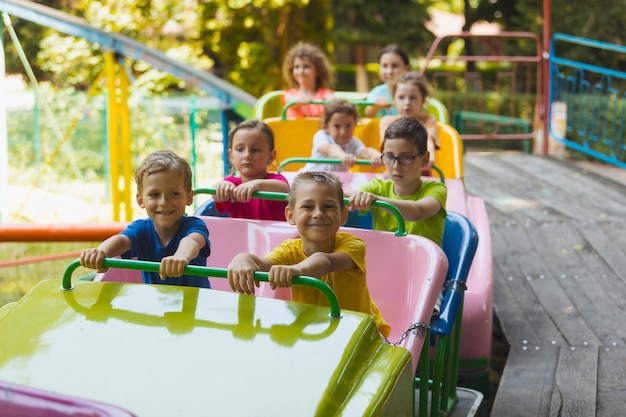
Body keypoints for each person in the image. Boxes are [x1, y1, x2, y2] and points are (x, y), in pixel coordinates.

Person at [227, 171, 391, 338]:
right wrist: (242, 259)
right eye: (308, 207)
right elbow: (262, 263)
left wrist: (297, 270)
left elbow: (326, 261)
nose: (318, 213)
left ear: (343, 215)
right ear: (291, 215)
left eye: (328, 207)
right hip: (315, 332)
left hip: (363, 333)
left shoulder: (353, 245)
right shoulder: (290, 249)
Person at [80, 150, 211, 288]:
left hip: (196, 306)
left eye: (174, 194)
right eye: (155, 195)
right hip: (157, 304)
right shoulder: (141, 229)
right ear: (140, 200)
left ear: (189, 197)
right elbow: (122, 240)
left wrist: (181, 257)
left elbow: (192, 241)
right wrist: (101, 252)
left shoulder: (194, 225)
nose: (164, 202)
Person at [349, 117, 447, 247]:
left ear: (424, 159)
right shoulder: (378, 187)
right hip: (387, 261)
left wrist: (375, 200)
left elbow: (418, 211)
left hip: (422, 264)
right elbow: (347, 197)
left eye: (406, 157)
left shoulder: (437, 189)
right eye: (389, 156)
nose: (396, 166)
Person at [213, 120, 289, 221]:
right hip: (242, 236)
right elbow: (215, 194)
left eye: (255, 150)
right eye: (240, 149)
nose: (247, 155)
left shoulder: (276, 181)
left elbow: (283, 188)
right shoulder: (232, 184)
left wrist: (257, 185)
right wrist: (221, 186)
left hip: (277, 236)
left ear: (271, 156)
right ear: (231, 156)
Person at [379, 71, 441, 176]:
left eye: (413, 98)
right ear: (394, 99)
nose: (407, 102)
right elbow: (389, 147)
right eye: (401, 97)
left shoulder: (428, 119)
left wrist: (429, 150)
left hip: (421, 174)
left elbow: (429, 138)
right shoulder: (387, 121)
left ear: (422, 100)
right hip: (395, 173)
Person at [302, 99, 383, 172]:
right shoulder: (321, 135)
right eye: (337, 126)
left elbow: (365, 151)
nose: (343, 132)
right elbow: (331, 149)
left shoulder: (352, 141)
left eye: (348, 126)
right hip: (312, 178)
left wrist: (375, 155)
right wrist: (343, 156)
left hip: (334, 182)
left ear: (355, 124)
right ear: (327, 125)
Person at [281, 42, 334, 119]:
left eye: (306, 67)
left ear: (317, 71)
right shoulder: (290, 94)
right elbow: (290, 101)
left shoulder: (324, 94)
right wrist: (299, 100)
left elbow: (333, 101)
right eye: (297, 67)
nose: (301, 71)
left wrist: (330, 103)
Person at [364, 45, 411, 118]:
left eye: (395, 66)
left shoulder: (414, 90)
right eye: (385, 66)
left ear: (407, 68)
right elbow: (368, 114)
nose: (389, 71)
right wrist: (375, 106)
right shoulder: (377, 92)